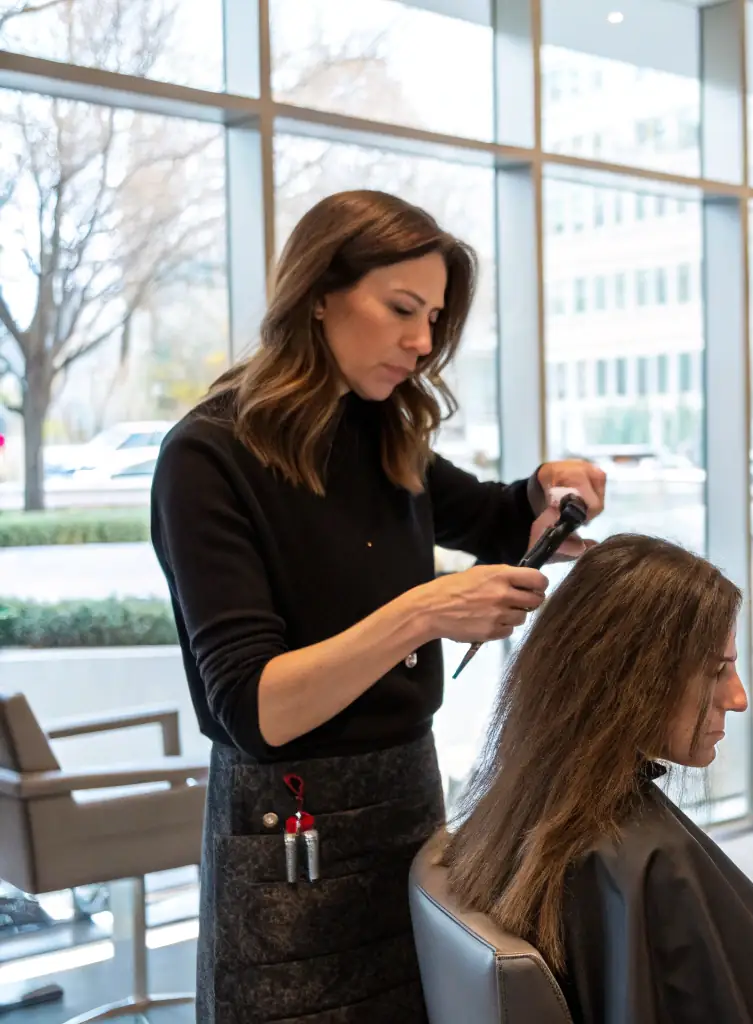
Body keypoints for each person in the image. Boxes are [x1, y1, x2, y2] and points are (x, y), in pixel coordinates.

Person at [149, 189, 606, 1023]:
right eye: (401, 308)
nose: (422, 341)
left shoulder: (383, 434)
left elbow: (496, 516)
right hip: (285, 832)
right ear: (319, 292)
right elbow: (256, 707)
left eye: (433, 317)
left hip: (408, 807)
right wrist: (424, 612)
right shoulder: (208, 457)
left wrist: (545, 494)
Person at [441, 534, 753, 1024]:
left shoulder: (515, 810)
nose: (738, 698)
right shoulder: (641, 861)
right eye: (717, 672)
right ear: (632, 679)